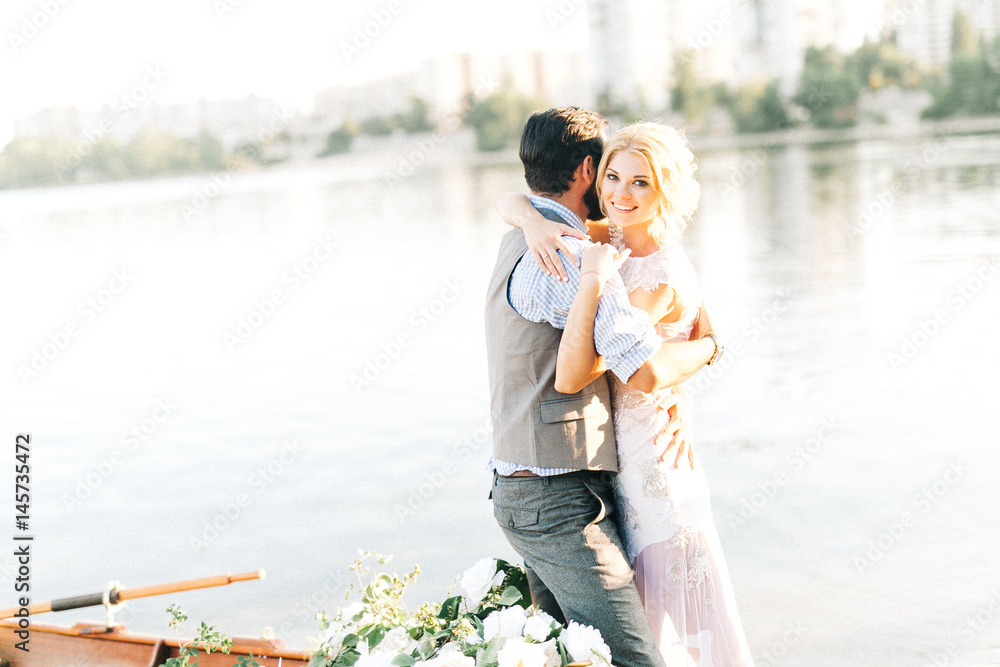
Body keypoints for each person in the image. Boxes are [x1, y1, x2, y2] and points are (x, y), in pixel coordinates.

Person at [497, 122, 754, 666]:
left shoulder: (659, 274)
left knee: (660, 634)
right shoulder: (604, 237)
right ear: (594, 176)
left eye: (640, 183)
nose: (620, 193)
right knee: (629, 629)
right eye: (613, 177)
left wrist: (708, 351)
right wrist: (530, 220)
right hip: (616, 467)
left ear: (664, 191)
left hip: (654, 465)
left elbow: (626, 370)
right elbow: (510, 198)